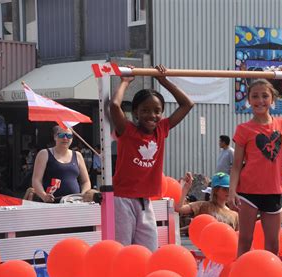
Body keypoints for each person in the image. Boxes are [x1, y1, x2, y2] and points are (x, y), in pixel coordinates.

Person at [110, 64, 194, 251]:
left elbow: (187, 104)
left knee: (149, 249)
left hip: (145, 200)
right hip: (122, 199)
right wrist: (125, 82)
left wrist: (163, 80)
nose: (152, 115)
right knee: (123, 249)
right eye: (145, 110)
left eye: (157, 111)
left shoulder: (161, 130)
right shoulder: (127, 130)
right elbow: (115, 105)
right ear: (135, 113)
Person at [228, 79, 282, 256]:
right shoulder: (243, 129)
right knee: (245, 240)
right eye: (255, 96)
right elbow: (237, 165)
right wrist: (232, 191)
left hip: (273, 191)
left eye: (264, 96)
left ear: (272, 100)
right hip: (248, 192)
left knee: (272, 244)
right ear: (249, 100)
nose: (260, 100)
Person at [32, 126, 91, 203]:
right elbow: (36, 180)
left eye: (69, 136)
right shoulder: (44, 154)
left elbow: (85, 181)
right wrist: (44, 196)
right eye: (61, 135)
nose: (65, 138)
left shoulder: (77, 155)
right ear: (55, 137)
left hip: (74, 202)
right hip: (51, 203)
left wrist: (83, 195)